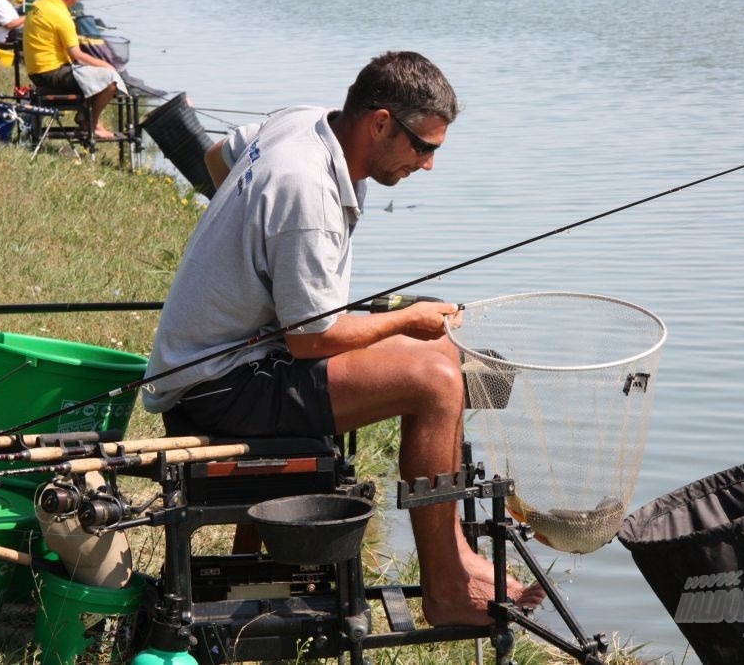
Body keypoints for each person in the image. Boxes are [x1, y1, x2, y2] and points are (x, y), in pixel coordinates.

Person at [144, 51, 545, 627]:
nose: (428, 165)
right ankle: (446, 588)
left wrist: (250, 247)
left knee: (445, 356)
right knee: (435, 379)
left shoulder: (303, 120)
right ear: (379, 122)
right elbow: (312, 340)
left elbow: (217, 154)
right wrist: (407, 320)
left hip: (228, 359)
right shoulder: (308, 192)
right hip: (217, 386)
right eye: (423, 147)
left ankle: (455, 549)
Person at [22, 0, 124, 140]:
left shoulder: (41, 4)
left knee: (94, 74)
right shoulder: (60, 15)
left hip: (36, 70)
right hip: (49, 73)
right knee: (111, 82)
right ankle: (90, 124)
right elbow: (77, 55)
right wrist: (109, 67)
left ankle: (85, 115)